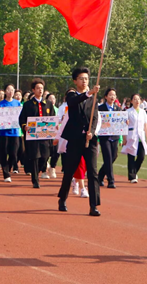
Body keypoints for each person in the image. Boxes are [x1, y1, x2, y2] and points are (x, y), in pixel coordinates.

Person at [57, 67, 101, 217]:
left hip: (89, 140)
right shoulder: (72, 95)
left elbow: (95, 117)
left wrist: (92, 132)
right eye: (81, 79)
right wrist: (89, 93)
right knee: (69, 171)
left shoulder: (93, 98)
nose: (84, 81)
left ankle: (94, 205)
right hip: (75, 139)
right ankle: (62, 199)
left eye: (86, 79)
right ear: (75, 81)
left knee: (93, 173)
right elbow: (73, 102)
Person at [19, 78, 55, 188]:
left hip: (45, 136)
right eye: (38, 88)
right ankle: (35, 180)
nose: (40, 90)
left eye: (42, 88)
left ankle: (38, 171)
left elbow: (52, 118)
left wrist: (54, 127)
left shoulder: (48, 104)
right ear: (33, 90)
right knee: (35, 157)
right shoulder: (28, 104)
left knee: (45, 156)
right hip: (33, 136)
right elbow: (22, 118)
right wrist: (25, 126)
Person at [121, 93, 147, 182]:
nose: (137, 101)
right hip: (131, 136)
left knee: (141, 156)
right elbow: (124, 126)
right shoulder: (128, 112)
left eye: (138, 99)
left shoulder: (143, 112)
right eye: (135, 99)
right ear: (131, 101)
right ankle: (132, 176)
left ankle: (134, 171)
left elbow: (145, 125)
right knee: (131, 156)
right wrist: (124, 138)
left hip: (141, 136)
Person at [0, 84, 22, 182]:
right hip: (4, 133)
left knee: (14, 154)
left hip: (15, 132)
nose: (10, 92)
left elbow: (21, 116)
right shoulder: (1, 104)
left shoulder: (17, 103)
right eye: (8, 90)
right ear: (5, 91)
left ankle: (8, 167)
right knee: (3, 153)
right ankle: (6, 173)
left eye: (12, 90)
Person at [97, 88, 121, 188]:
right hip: (104, 137)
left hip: (114, 136)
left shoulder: (118, 108)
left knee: (114, 156)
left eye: (114, 95)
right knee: (107, 157)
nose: (112, 97)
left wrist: (125, 122)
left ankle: (100, 176)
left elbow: (121, 121)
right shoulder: (100, 108)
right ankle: (111, 181)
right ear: (106, 96)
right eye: (110, 95)